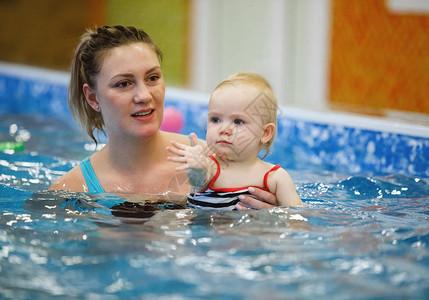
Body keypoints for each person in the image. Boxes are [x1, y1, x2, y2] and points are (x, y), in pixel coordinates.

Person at [49, 25, 276, 210]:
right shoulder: (71, 190)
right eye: (124, 83)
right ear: (92, 98)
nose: (144, 96)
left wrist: (269, 219)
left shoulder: (220, 160)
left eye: (152, 77)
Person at [167, 72, 304, 209]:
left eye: (238, 121)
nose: (224, 129)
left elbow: (298, 219)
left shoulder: (275, 178)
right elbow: (198, 180)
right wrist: (196, 167)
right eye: (215, 119)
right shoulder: (209, 167)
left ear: (265, 133)